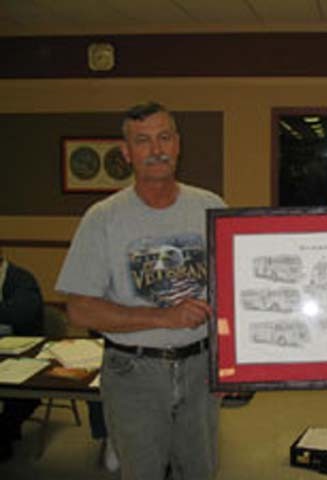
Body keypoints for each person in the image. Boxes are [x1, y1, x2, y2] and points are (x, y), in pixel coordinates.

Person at [55, 102, 226, 480]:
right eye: (143, 141)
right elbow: (80, 310)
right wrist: (163, 316)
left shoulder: (211, 207)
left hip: (200, 367)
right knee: (142, 471)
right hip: (133, 371)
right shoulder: (103, 218)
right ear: (127, 152)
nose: (157, 149)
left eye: (164, 137)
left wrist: (228, 368)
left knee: (200, 470)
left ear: (178, 144)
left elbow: (231, 295)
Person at [0, 248, 44, 461]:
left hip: (26, 350)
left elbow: (21, 315)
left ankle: (5, 434)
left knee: (23, 394)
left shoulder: (21, 279)